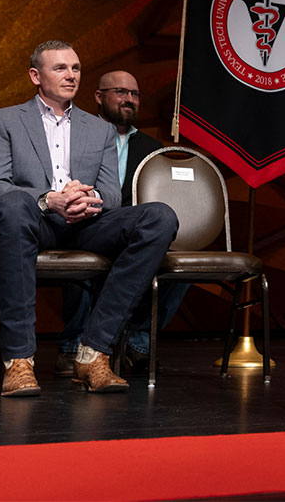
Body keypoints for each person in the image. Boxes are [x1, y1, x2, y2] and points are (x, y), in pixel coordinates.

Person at [0, 42, 179, 396]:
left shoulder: (99, 129)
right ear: (35, 76)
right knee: (11, 205)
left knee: (159, 217)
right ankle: (19, 360)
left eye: (75, 68)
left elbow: (112, 195)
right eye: (59, 68)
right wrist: (49, 199)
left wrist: (86, 198)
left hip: (85, 223)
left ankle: (93, 353)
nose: (70, 75)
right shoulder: (4, 120)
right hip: (34, 221)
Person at [55, 70, 179, 377]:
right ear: (99, 97)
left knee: (176, 260)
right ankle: (74, 345)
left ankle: (137, 344)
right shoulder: (75, 133)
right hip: (86, 222)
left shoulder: (154, 149)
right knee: (79, 257)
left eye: (134, 94)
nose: (129, 100)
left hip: (135, 229)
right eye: (121, 92)